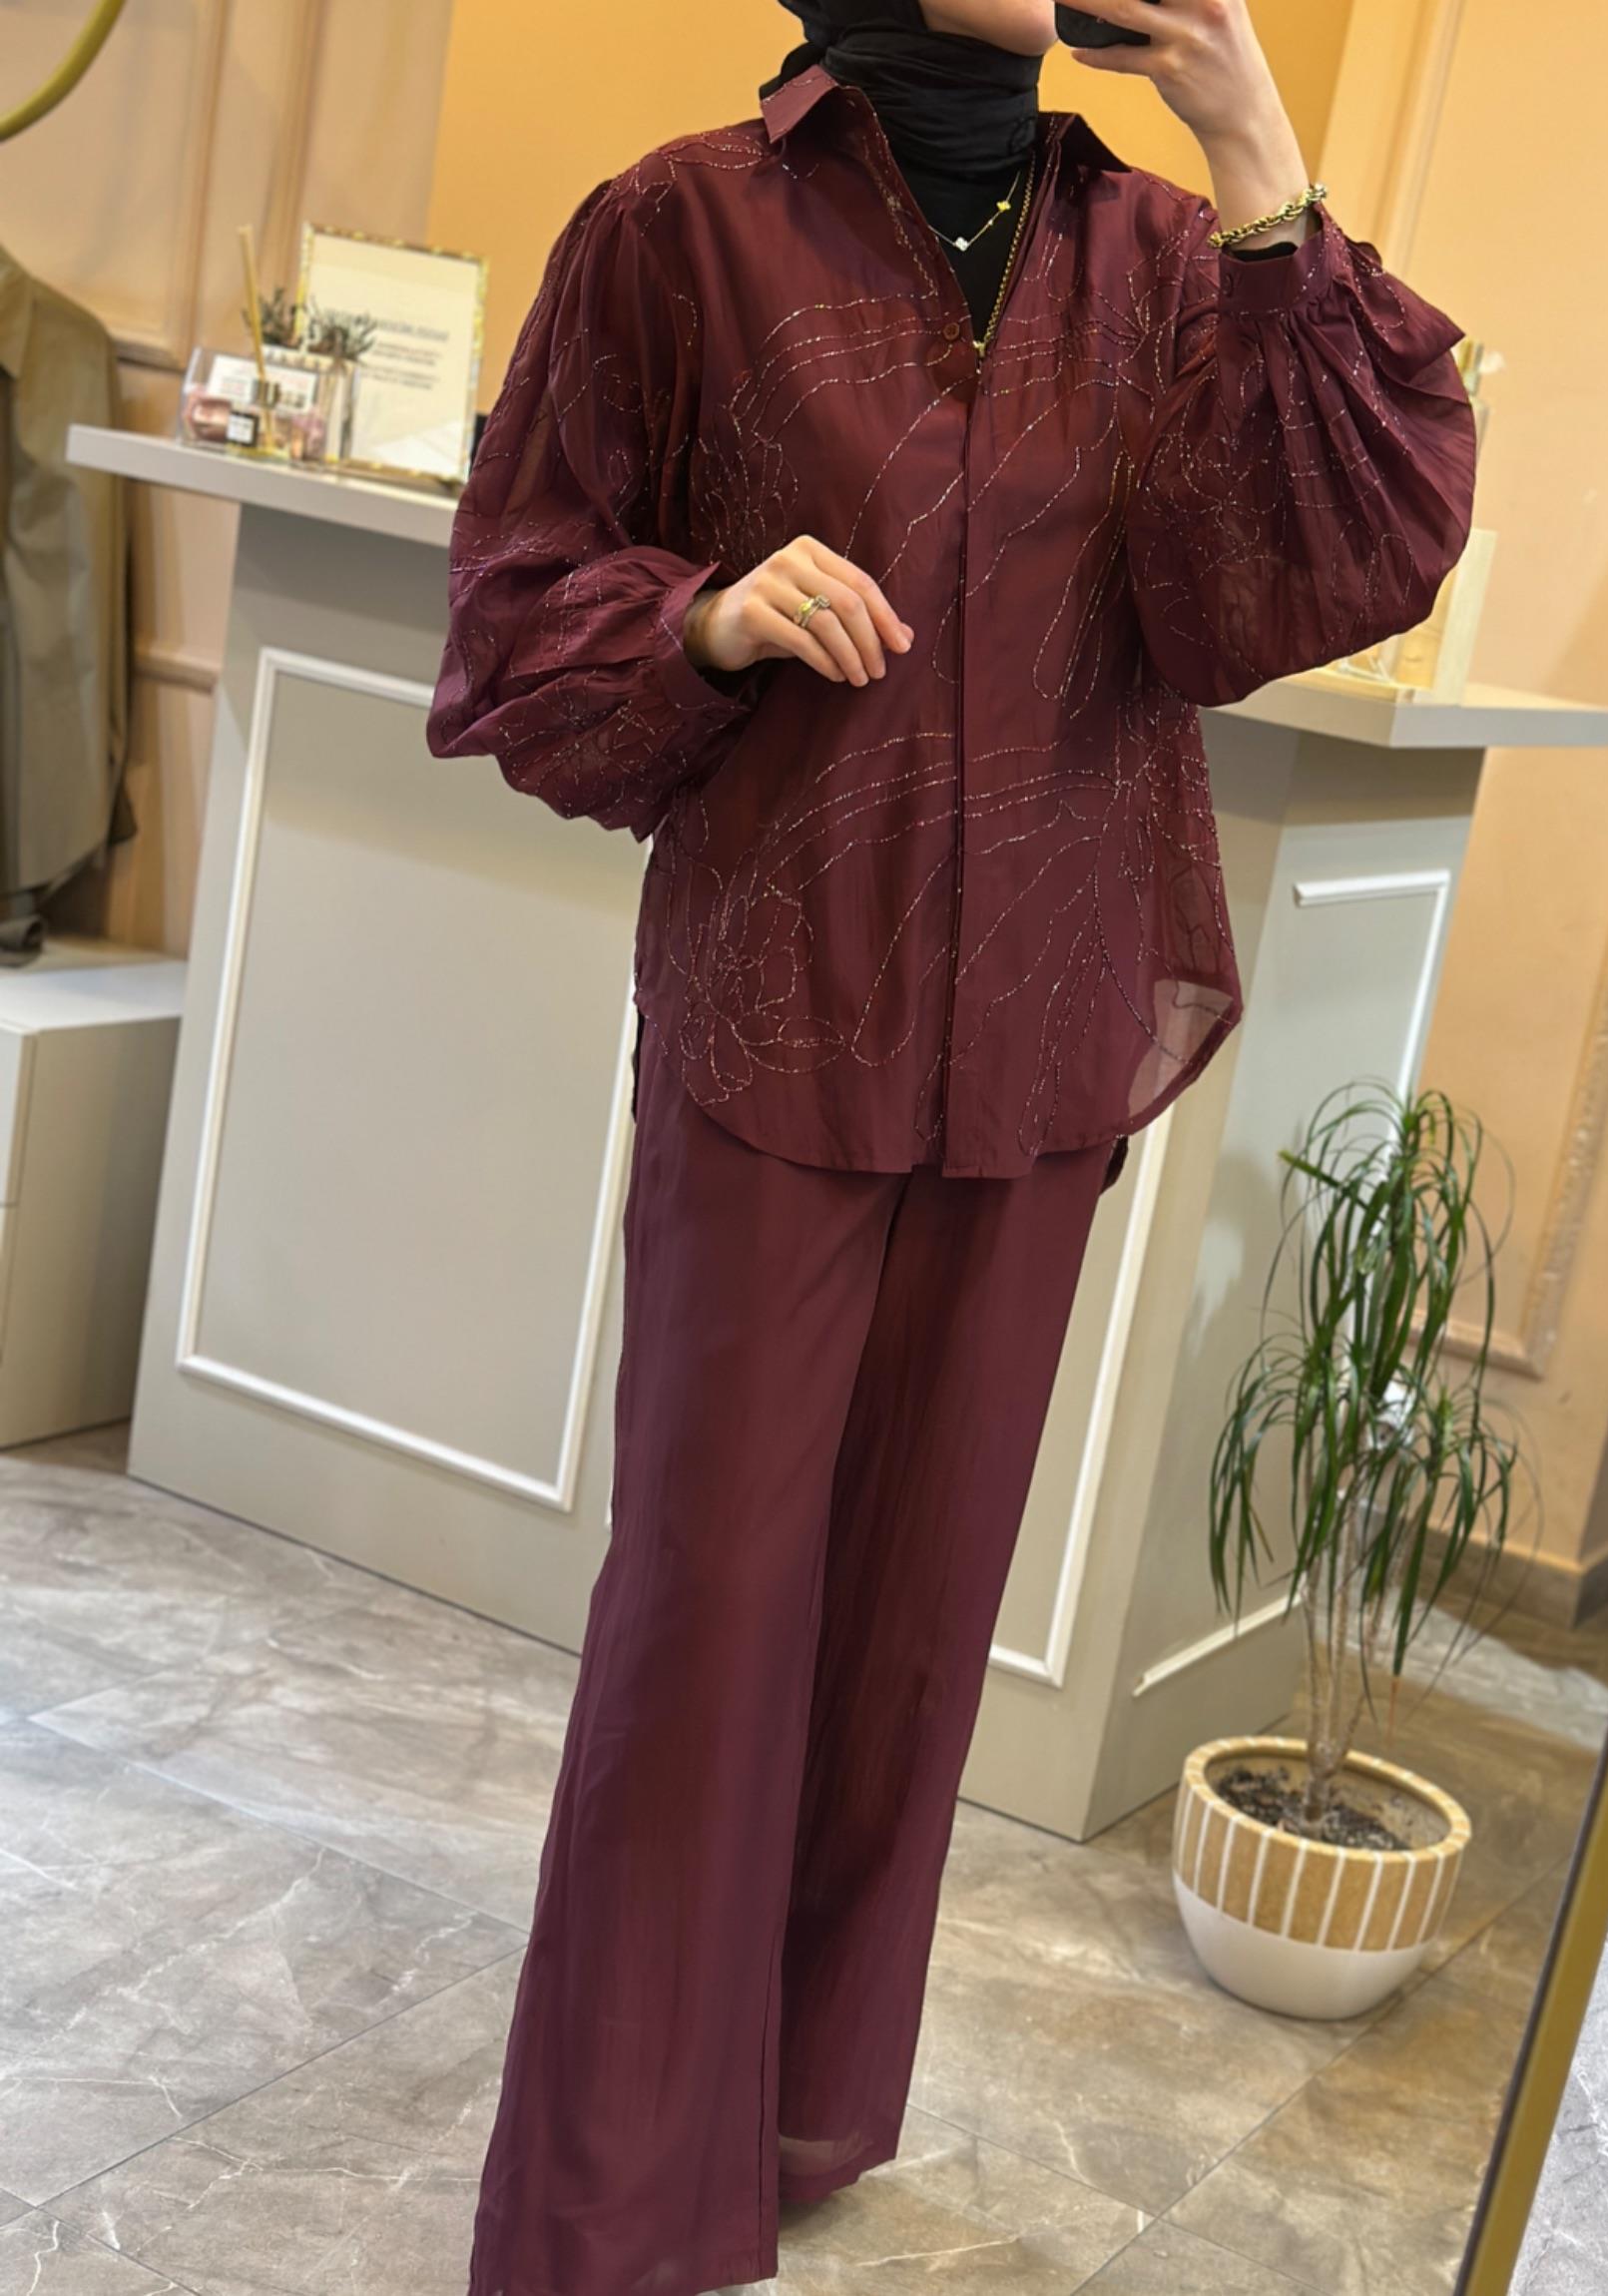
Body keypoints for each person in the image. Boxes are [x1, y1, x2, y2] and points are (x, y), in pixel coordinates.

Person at [425, 3, 1477, 2290]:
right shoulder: (681, 229)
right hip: (781, 1013)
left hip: (1036, 1042)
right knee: (703, 1614)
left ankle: (796, 2109)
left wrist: (1251, 125)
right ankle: (613, 2196)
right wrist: (703, 615)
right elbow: (512, 607)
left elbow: (1328, 554)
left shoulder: (1169, 260)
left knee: (913, 1626)